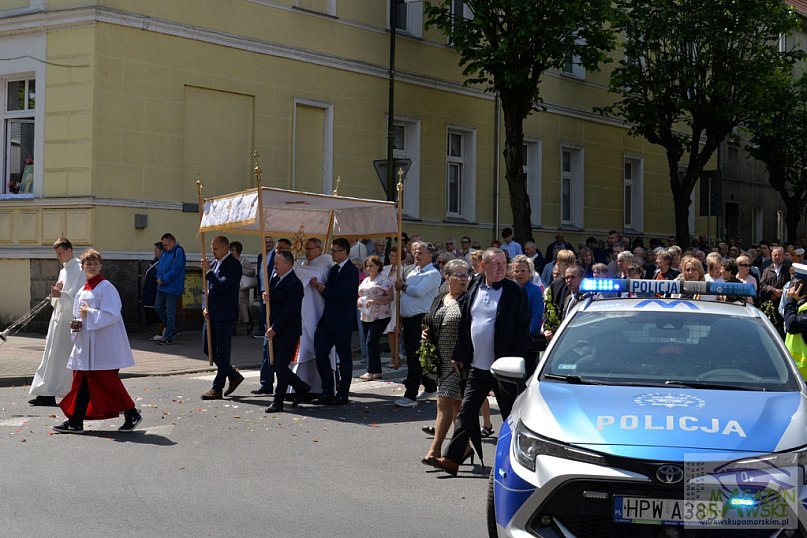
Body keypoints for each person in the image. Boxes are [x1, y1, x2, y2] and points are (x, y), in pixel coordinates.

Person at [432, 248, 530, 476]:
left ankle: (518, 462)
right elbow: (466, 325)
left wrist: (517, 361)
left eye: (503, 263)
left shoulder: (514, 292)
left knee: (511, 417)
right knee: (466, 414)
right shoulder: (475, 286)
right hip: (477, 365)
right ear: (483, 266)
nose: (500, 267)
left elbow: (522, 329)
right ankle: (451, 459)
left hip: (503, 367)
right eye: (495, 263)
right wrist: (459, 353)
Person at [54, 249, 142, 433]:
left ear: (101, 266)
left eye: (95, 263)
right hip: (85, 344)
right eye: (88, 264)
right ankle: (76, 420)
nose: (92, 267)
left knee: (106, 380)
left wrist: (90, 314)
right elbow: (78, 315)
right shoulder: (82, 290)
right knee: (81, 381)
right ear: (83, 267)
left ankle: (131, 412)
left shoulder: (106, 287)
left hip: (102, 345)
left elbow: (112, 314)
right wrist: (76, 323)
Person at [421, 259, 471, 466]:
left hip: (459, 360)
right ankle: (465, 447)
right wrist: (427, 332)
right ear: (447, 277)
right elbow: (430, 320)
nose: (463, 279)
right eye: (458, 275)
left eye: (465, 275)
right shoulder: (441, 298)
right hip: (442, 359)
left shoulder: (469, 300)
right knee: (455, 405)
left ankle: (434, 451)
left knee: (444, 402)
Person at [29, 238, 85, 407]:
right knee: (51, 356)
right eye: (57, 254)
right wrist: (56, 292)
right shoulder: (64, 270)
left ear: (69, 250)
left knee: (62, 358)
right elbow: (61, 294)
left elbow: (78, 296)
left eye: (60, 253)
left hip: (68, 321)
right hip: (58, 319)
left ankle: (61, 391)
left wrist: (61, 294)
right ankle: (46, 392)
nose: (58, 256)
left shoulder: (79, 269)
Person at [310, 237, 359, 405]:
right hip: (328, 319)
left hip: (342, 321)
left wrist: (322, 288)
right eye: (332, 250)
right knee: (320, 351)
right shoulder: (334, 269)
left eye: (335, 250)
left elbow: (341, 294)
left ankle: (343, 392)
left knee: (344, 358)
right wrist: (320, 287)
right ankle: (327, 389)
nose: (332, 253)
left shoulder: (351, 271)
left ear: (345, 252)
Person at [394, 241, 442, 407]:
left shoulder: (433, 273)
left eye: (420, 252)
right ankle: (430, 386)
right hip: (408, 319)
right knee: (414, 355)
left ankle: (410, 394)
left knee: (415, 357)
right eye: (415, 252)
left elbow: (418, 291)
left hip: (421, 318)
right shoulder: (412, 271)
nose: (416, 255)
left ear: (430, 255)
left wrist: (403, 286)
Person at [263, 250, 310, 412]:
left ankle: (278, 401)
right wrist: (267, 299)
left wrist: (275, 328)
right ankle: (301, 386)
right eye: (274, 263)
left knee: (281, 366)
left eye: (277, 263)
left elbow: (290, 311)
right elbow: (275, 302)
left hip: (287, 330)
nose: (274, 266)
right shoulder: (276, 279)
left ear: (288, 265)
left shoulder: (294, 283)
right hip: (275, 327)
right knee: (276, 365)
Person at [200, 235, 244, 400]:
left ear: (225, 248)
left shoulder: (233, 265)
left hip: (225, 314)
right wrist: (205, 306)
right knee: (207, 348)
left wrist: (210, 272)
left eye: (216, 248)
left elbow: (223, 284)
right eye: (212, 248)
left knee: (222, 351)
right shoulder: (213, 264)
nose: (213, 251)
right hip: (211, 313)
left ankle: (217, 387)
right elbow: (207, 289)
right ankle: (233, 375)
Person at [291, 237, 334, 395]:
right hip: (304, 313)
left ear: (319, 249)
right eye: (306, 249)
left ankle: (322, 388)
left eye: (309, 249)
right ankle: (303, 384)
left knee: (321, 352)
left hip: (319, 313)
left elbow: (315, 275)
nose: (306, 252)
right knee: (303, 351)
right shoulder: (305, 265)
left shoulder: (326, 262)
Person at [357, 255, 393, 381]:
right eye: (367, 266)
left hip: (381, 315)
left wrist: (376, 300)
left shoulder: (384, 280)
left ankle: (370, 370)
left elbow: (390, 297)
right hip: (366, 314)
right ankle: (377, 371)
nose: (369, 268)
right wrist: (359, 301)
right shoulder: (366, 280)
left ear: (378, 266)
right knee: (372, 343)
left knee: (370, 342)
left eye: (372, 266)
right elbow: (361, 294)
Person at [153, 232, 186, 345]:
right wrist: (158, 278)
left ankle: (168, 336)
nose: (164, 247)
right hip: (161, 286)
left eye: (166, 244)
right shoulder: (165, 253)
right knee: (158, 307)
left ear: (172, 242)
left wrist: (164, 279)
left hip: (172, 287)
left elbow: (175, 269)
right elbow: (160, 266)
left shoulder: (178, 251)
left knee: (170, 312)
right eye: (163, 245)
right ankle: (171, 329)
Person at [381, 247, 403, 368]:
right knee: (390, 330)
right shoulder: (385, 269)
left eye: (394, 255)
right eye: (390, 255)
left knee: (395, 330)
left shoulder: (403, 270)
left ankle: (396, 357)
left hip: (398, 302)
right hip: (388, 302)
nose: (391, 257)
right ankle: (393, 356)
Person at [229, 241, 256, 334]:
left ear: (238, 251)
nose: (231, 252)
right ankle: (233, 327)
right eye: (231, 250)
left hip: (242, 287)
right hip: (232, 287)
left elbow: (252, 272)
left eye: (233, 250)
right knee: (233, 306)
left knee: (242, 306)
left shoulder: (244, 261)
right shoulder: (230, 261)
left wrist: (241, 270)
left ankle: (248, 322)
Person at [141, 241, 163, 336]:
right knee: (151, 313)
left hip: (155, 292)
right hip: (149, 291)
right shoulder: (154, 262)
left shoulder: (162, 263)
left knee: (157, 313)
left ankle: (161, 332)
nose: (155, 251)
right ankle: (156, 332)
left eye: (156, 249)